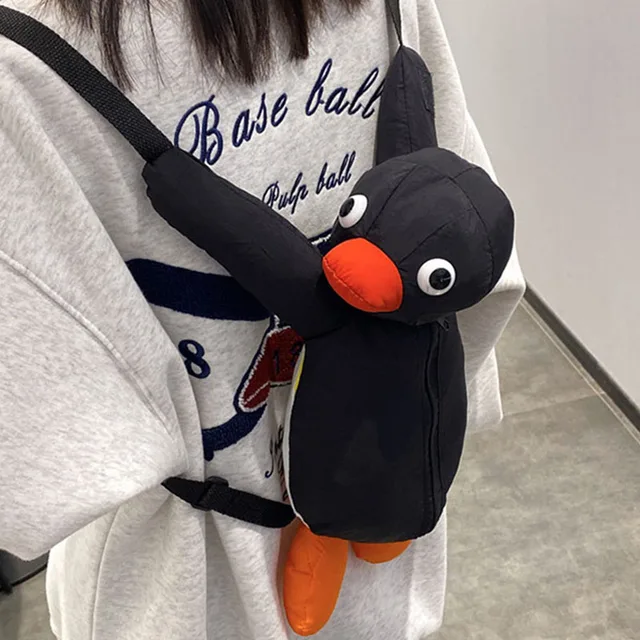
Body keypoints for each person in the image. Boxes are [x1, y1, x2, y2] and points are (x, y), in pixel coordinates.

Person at [0, 0, 525, 638]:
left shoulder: (24, 56)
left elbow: (45, 454)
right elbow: (484, 284)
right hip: (389, 538)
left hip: (185, 593)